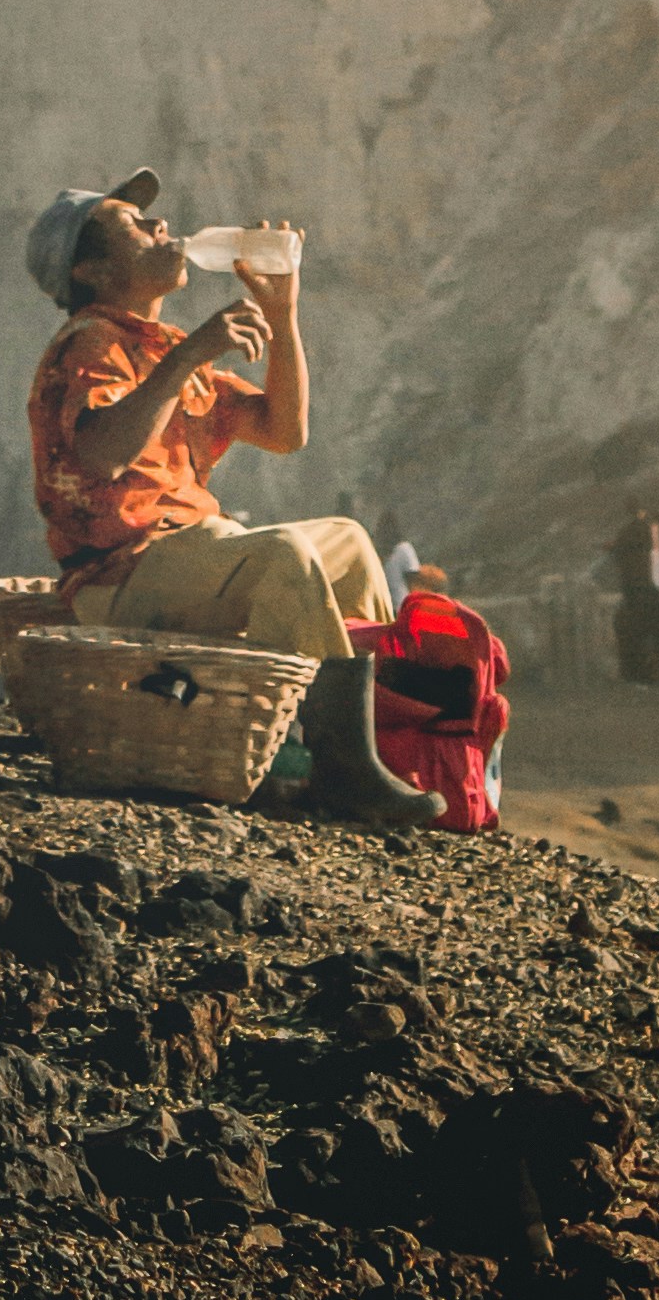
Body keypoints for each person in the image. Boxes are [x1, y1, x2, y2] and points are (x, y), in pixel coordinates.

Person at [24, 169, 438, 830]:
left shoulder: (164, 350)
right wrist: (189, 358)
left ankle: (367, 748)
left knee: (348, 541)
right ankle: (335, 767)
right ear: (93, 272)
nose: (162, 227)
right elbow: (102, 454)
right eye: (133, 226)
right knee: (281, 555)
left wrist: (282, 312)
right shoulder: (91, 342)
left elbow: (283, 430)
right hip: (122, 573)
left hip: (184, 556)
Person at [607, 507, 659, 687]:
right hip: (648, 596)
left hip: (657, 597)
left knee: (657, 637)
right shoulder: (646, 547)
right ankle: (647, 678)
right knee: (649, 636)